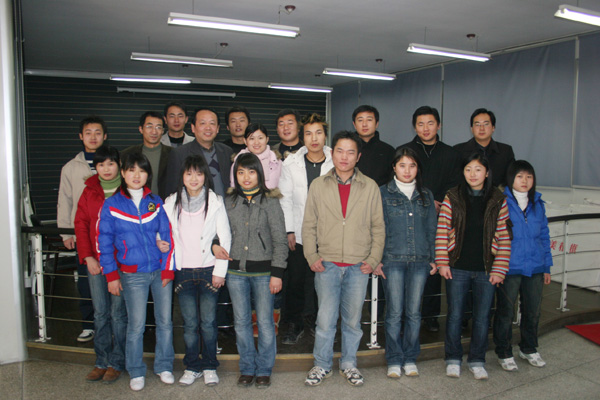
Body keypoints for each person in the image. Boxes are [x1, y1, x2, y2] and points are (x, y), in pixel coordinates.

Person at [303, 131, 385, 387]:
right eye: (340, 151)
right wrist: (311, 255)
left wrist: (373, 259)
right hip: (326, 264)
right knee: (325, 320)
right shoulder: (318, 185)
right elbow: (309, 224)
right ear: (332, 153)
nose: (344, 157)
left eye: (351, 152)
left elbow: (378, 227)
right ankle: (322, 364)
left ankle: (349, 363)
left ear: (358, 156)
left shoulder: (370, 186)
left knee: (352, 321)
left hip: (358, 266)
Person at [97, 152, 175, 392]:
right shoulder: (112, 204)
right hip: (133, 274)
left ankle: (164, 366)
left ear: (147, 174)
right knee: (136, 326)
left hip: (159, 271)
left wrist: (167, 268)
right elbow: (104, 242)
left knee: (165, 322)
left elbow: (167, 235)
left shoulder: (155, 201)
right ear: (123, 173)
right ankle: (136, 370)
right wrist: (111, 276)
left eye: (142, 170)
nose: (137, 175)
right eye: (131, 170)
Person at [436, 153, 512, 380]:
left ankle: (477, 360)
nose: (473, 174)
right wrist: (442, 262)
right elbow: (442, 230)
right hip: (457, 266)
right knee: (455, 315)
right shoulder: (453, 195)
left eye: (478, 169)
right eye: (468, 169)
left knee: (482, 317)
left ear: (487, 173)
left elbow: (504, 236)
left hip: (486, 269)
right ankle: (452, 358)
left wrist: (500, 268)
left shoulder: (498, 198)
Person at [163, 155, 231, 387]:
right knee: (190, 324)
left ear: (205, 177)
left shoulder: (215, 201)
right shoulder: (171, 202)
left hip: (208, 270)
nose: (194, 178)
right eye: (189, 173)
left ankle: (210, 366)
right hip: (183, 271)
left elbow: (225, 237)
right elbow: (163, 232)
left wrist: (220, 271)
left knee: (209, 323)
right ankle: (192, 366)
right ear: (182, 176)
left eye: (199, 173)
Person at [224, 153, 287, 388]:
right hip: (235, 273)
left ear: (259, 174)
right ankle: (247, 368)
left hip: (263, 274)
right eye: (241, 172)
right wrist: (215, 245)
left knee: (265, 323)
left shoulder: (270, 201)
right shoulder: (229, 202)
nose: (246, 177)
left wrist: (277, 273)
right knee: (241, 322)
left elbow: (280, 240)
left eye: (251, 171)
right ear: (235, 175)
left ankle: (264, 369)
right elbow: (219, 232)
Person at [375, 147, 437, 379]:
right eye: (402, 165)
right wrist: (376, 259)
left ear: (418, 168)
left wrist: (434, 258)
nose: (407, 170)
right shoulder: (382, 193)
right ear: (394, 167)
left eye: (412, 165)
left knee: (413, 313)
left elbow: (432, 229)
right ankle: (394, 358)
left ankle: (410, 357)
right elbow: (376, 228)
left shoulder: (426, 195)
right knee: (393, 312)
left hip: (420, 261)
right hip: (392, 260)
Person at [399, 105, 462, 332]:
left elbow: (456, 183)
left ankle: (431, 315)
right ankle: (405, 313)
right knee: (407, 265)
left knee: (433, 263)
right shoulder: (405, 151)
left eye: (430, 123)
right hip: (409, 216)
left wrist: (439, 201)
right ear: (414, 126)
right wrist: (423, 199)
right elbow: (400, 180)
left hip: (439, 215)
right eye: (420, 124)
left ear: (439, 125)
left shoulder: (450, 154)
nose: (425, 128)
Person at [279, 113, 334, 345]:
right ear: (302, 137)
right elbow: (285, 199)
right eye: (309, 133)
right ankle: (294, 323)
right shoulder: (290, 163)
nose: (314, 138)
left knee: (323, 282)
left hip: (329, 235)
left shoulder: (336, 160)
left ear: (325, 135)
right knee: (296, 281)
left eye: (319, 133)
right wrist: (289, 230)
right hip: (300, 233)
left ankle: (318, 321)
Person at [493, 160, 552, 371]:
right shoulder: (500, 202)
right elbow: (493, 237)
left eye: (529, 176)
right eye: (520, 176)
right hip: (509, 266)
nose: (524, 181)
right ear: (511, 179)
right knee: (506, 312)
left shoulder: (538, 204)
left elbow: (544, 235)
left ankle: (529, 348)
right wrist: (496, 267)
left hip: (535, 266)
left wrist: (546, 266)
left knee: (533, 311)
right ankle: (504, 351)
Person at [74, 145, 126, 383]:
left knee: (118, 314)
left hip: (121, 263)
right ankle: (101, 361)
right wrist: (88, 257)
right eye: (101, 164)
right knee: (101, 313)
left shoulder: (128, 189)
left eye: (111, 163)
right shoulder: (89, 190)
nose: (106, 169)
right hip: (96, 263)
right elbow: (81, 225)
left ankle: (117, 362)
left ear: (119, 165)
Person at [57, 115, 107, 342]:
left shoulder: (113, 162)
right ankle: (89, 324)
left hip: (110, 235)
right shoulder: (70, 167)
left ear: (105, 136)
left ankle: (111, 323)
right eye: (88, 133)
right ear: (81, 136)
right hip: (83, 235)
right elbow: (64, 200)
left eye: (98, 133)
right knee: (87, 281)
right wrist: (66, 232)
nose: (93, 137)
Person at [165, 107, 233, 197]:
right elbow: (172, 190)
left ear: (217, 128)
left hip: (224, 205)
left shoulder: (227, 151)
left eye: (212, 123)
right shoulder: (179, 154)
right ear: (193, 128)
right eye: (203, 123)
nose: (208, 128)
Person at [454, 108, 515, 187]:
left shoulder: (505, 151)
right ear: (471, 129)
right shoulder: (458, 150)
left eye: (486, 124)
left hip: (498, 193)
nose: (481, 128)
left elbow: (511, 179)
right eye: (477, 124)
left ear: (493, 127)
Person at [122, 111, 172, 199]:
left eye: (158, 127)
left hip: (165, 203)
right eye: (149, 126)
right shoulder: (127, 154)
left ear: (162, 131)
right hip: (135, 203)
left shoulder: (173, 153)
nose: (154, 131)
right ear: (141, 129)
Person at [352, 105, 395, 187]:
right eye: (360, 120)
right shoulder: (347, 150)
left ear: (377, 123)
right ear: (354, 124)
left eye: (369, 120)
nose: (364, 124)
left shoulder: (389, 151)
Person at [230, 123, 282, 189]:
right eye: (252, 138)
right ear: (245, 141)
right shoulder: (238, 162)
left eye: (260, 138)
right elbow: (234, 187)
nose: (256, 142)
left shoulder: (276, 161)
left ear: (267, 139)